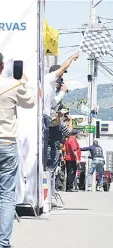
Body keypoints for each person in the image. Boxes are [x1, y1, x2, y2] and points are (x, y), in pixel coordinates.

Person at [0, 53, 35, 248]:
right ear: (2, 65)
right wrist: (24, 82)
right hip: (6, 143)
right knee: (6, 195)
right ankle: (3, 243)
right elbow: (30, 102)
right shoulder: (11, 85)